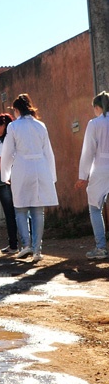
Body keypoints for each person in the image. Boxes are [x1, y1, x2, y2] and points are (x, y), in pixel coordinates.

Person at [0, 93, 58, 264]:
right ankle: (37, 249)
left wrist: (5, 174)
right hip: (40, 169)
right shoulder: (41, 125)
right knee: (38, 210)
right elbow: (48, 152)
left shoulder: (13, 127)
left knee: (21, 209)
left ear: (16, 110)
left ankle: (26, 245)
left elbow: (7, 152)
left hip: (22, 168)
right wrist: (51, 175)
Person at [76, 91, 109, 261]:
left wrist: (83, 175)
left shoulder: (94, 123)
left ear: (97, 107)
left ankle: (101, 247)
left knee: (95, 208)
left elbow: (88, 151)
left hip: (100, 169)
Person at [0, 113, 19, 255]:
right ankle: (28, 244)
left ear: (4, 125)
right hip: (17, 178)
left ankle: (13, 245)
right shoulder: (15, 138)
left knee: (10, 214)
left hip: (4, 181)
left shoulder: (1, 142)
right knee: (22, 212)